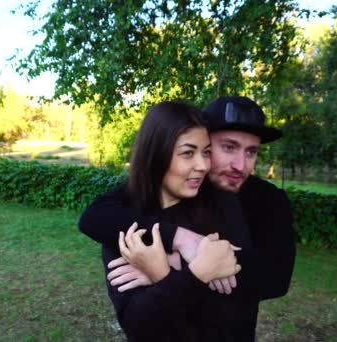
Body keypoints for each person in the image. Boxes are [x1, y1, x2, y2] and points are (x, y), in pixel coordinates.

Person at [79, 96, 296, 341]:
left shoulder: (248, 202)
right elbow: (94, 216)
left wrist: (170, 267)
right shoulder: (134, 214)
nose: (240, 165)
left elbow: (272, 278)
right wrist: (181, 240)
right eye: (228, 147)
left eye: (252, 151)